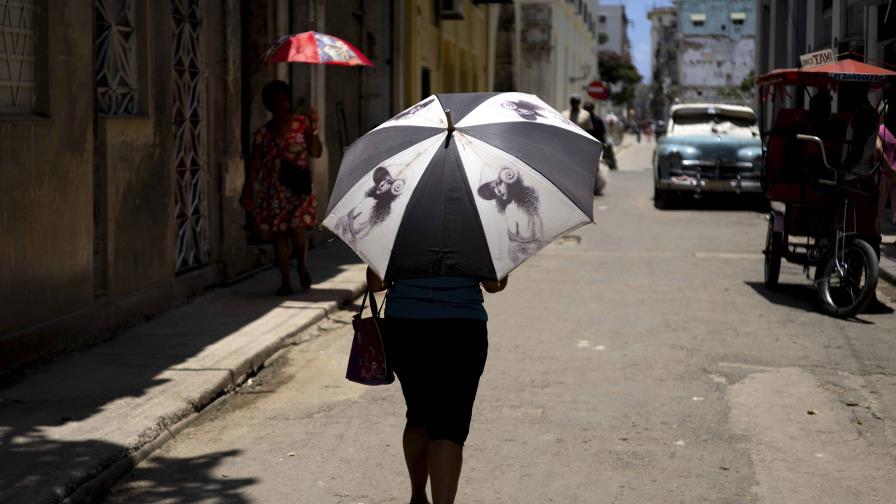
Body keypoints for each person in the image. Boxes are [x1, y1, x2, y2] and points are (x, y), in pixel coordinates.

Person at [366, 267, 507, 504]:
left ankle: (418, 497)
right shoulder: (478, 230)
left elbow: (376, 284)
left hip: (405, 328)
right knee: (449, 426)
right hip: (462, 329)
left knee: (418, 413)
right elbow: (494, 285)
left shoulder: (398, 229)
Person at [240, 80, 321, 296]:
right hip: (274, 189)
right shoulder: (263, 133)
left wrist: (314, 128)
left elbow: (316, 152)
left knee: (297, 230)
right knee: (279, 234)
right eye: (277, 102)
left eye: (285, 100)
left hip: (299, 188)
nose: (283, 105)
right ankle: (285, 280)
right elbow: (255, 164)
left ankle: (302, 265)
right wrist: (247, 189)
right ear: (270, 105)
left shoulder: (302, 125)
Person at [876, 89, 896, 238]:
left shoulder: (881, 130)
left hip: (885, 172)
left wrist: (887, 165)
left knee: (880, 207)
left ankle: (876, 232)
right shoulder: (888, 131)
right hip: (893, 172)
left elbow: (877, 149)